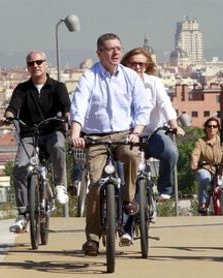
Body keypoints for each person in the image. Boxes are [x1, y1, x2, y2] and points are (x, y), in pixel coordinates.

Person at [70, 33, 152, 256]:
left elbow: (142, 108)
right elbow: (79, 106)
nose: (116, 53)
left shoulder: (130, 76)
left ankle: (128, 200)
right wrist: (76, 133)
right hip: (96, 138)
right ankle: (93, 239)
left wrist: (137, 132)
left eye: (118, 48)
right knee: (95, 186)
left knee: (133, 156)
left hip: (124, 134)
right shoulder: (90, 77)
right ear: (99, 53)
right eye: (110, 49)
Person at [0, 50, 70, 233]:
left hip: (53, 131)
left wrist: (68, 117)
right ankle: (22, 214)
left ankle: (60, 184)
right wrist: (8, 117)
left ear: (46, 64)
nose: (35, 65)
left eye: (39, 62)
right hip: (29, 134)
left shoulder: (57, 87)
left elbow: (66, 106)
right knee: (20, 167)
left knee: (58, 146)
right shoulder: (22, 89)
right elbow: (12, 108)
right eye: (31, 63)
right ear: (28, 68)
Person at [120, 48, 185, 201]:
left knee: (171, 153)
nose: (137, 67)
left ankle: (165, 189)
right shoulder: (120, 83)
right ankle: (121, 199)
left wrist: (174, 125)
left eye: (141, 64)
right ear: (127, 65)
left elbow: (165, 105)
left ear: (147, 66)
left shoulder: (154, 83)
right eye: (133, 63)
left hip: (152, 133)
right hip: (129, 134)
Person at [191, 117, 223, 215]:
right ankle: (202, 204)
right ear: (205, 128)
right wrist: (194, 163)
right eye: (209, 126)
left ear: (218, 128)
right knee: (205, 178)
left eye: (215, 126)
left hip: (221, 169)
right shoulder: (200, 142)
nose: (212, 128)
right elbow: (195, 154)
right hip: (205, 168)